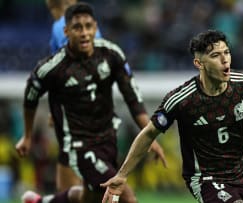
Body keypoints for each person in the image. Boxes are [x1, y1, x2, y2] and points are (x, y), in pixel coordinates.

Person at [100, 30, 243, 203]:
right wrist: (122, 174)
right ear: (198, 63)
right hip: (204, 178)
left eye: (227, 52)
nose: (225, 60)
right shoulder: (182, 99)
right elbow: (148, 133)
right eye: (215, 55)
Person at [15, 2, 167, 203]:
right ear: (66, 31)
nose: (84, 33)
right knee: (124, 196)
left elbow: (133, 99)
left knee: (90, 196)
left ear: (96, 27)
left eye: (88, 27)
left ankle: (42, 202)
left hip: (107, 136)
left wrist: (150, 136)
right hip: (78, 143)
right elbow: (30, 96)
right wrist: (26, 136)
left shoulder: (111, 54)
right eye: (78, 28)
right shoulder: (53, 68)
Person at [45, 0, 103, 193]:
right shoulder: (89, 29)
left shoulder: (63, 27)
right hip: (82, 112)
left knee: (82, 183)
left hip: (80, 113)